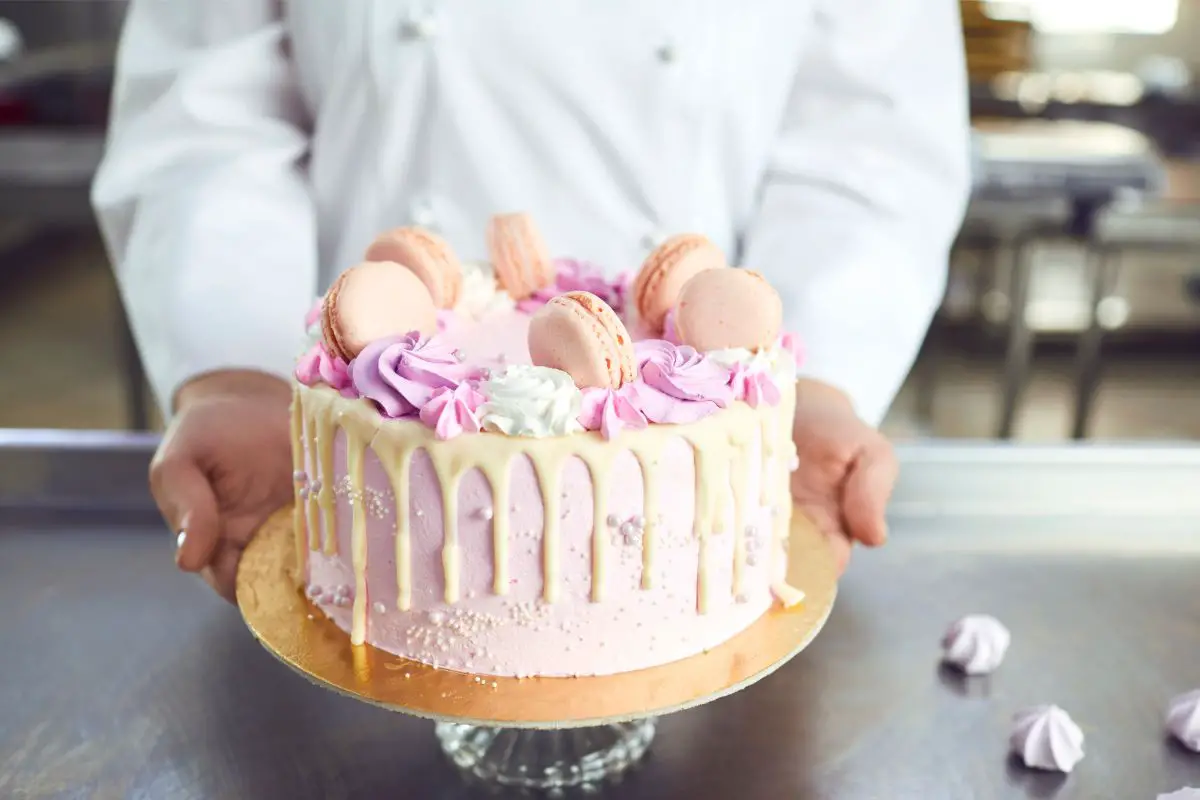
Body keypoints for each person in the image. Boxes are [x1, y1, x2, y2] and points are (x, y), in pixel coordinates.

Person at [92, 1, 971, 602]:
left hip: (687, 444)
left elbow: (867, 142)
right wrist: (236, 376)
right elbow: (206, 115)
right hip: (379, 432)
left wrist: (805, 395)